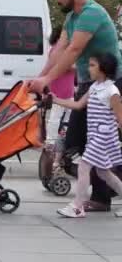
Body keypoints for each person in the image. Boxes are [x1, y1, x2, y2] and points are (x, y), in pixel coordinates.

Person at [29, 0, 122, 213]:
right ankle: (102, 195)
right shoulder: (71, 18)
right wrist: (40, 79)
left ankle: (100, 196)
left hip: (111, 82)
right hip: (89, 83)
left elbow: (74, 50)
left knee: (89, 142)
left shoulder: (91, 13)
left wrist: (48, 79)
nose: (57, 1)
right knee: (78, 141)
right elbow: (59, 49)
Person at [53, 53, 122, 218]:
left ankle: (77, 206)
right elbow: (78, 105)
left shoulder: (112, 91)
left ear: (103, 69)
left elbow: (120, 118)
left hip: (104, 136)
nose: (88, 68)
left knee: (84, 166)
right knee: (103, 172)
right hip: (94, 135)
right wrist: (55, 100)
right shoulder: (94, 87)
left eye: (92, 65)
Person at [45, 26, 75, 171]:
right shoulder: (59, 49)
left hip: (66, 90)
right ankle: (52, 142)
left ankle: (56, 140)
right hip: (61, 90)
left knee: (62, 117)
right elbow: (67, 66)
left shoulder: (57, 49)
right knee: (57, 117)